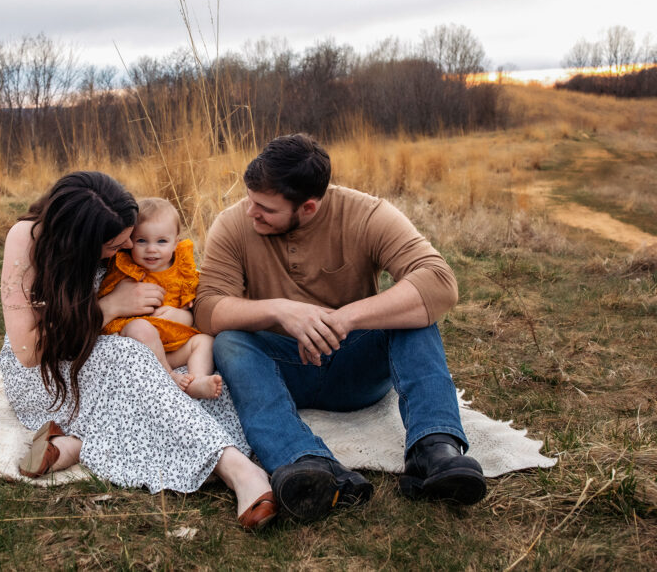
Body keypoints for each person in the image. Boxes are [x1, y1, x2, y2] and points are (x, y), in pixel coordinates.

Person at [194, 134, 486, 522]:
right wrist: (281, 311)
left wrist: (346, 318)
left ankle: (433, 449)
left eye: (265, 207)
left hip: (355, 369)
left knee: (415, 317)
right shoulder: (233, 224)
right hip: (281, 370)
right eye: (250, 199)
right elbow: (207, 308)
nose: (251, 212)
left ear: (309, 207)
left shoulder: (366, 214)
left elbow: (438, 281)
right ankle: (301, 462)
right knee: (229, 341)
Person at [0, 172, 275, 530]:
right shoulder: (27, 239)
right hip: (47, 371)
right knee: (134, 360)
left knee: (194, 377)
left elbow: (173, 281)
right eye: (115, 246)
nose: (129, 248)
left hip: (108, 345)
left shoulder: (120, 229)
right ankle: (237, 469)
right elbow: (28, 352)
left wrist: (182, 313)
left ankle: (77, 446)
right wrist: (110, 307)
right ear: (81, 242)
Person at [98, 197, 223, 400]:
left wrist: (181, 315)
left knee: (204, 341)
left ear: (176, 243)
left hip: (174, 349)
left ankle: (197, 379)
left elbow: (192, 309)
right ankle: (169, 375)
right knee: (140, 327)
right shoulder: (125, 269)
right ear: (130, 242)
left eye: (161, 241)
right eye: (141, 241)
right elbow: (106, 300)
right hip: (141, 350)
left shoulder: (183, 271)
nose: (152, 249)